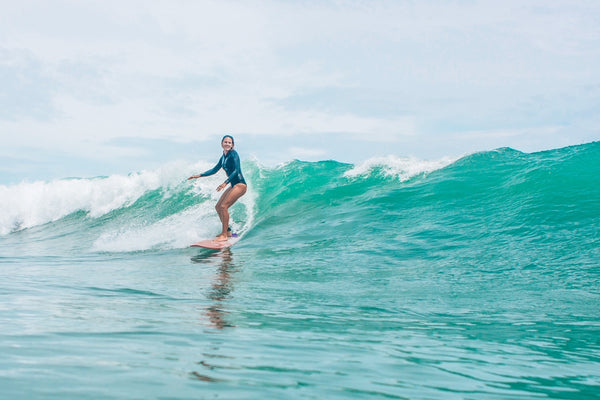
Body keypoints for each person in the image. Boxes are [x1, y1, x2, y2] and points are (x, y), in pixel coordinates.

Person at [188, 135, 247, 241]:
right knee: (218, 207)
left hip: (240, 185)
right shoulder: (223, 156)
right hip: (233, 185)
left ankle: (224, 235)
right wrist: (199, 175)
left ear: (232, 145)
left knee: (224, 206)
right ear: (221, 143)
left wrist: (225, 183)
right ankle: (228, 231)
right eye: (225, 142)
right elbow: (214, 169)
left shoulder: (234, 154)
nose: (227, 144)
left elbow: (237, 170)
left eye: (229, 142)